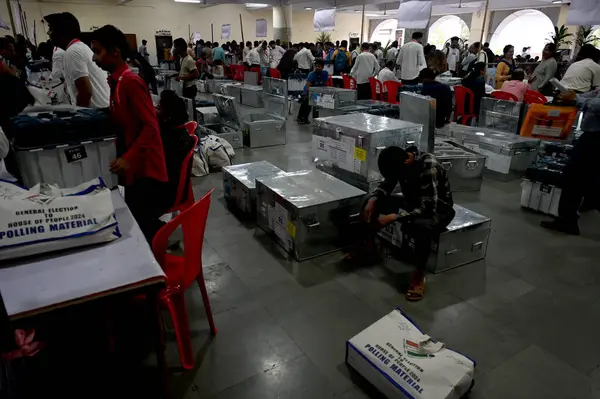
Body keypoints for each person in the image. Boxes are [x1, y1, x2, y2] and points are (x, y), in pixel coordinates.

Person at [90, 25, 169, 242]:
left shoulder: (130, 83)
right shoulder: (116, 83)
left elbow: (151, 127)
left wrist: (128, 158)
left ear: (115, 51)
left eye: (98, 52)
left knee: (142, 226)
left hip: (146, 169)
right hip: (134, 167)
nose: (95, 59)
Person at [359, 146, 454, 301]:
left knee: (420, 226)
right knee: (368, 201)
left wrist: (394, 217)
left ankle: (418, 275)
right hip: (414, 203)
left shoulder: (429, 166)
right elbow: (387, 185)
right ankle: (369, 248)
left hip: (438, 210)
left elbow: (428, 209)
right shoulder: (399, 160)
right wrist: (373, 199)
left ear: (407, 162)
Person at [540, 87, 600, 235]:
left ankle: (568, 220)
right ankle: (568, 218)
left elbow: (596, 104)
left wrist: (575, 99)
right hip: (592, 136)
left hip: (596, 138)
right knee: (582, 178)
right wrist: (570, 94)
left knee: (574, 176)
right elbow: (594, 94)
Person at [43, 12, 110, 108]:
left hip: (95, 113)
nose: (48, 33)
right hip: (99, 110)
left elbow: (85, 92)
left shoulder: (73, 51)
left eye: (51, 29)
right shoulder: (78, 47)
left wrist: (79, 115)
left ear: (61, 32)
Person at [157, 90, 196, 211]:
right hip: (176, 185)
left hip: (167, 193)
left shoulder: (167, 138)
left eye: (159, 106)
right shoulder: (179, 131)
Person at [296, 58, 328, 124]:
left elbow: (325, 85)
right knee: (307, 101)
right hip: (308, 91)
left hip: (318, 92)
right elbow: (308, 87)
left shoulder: (325, 74)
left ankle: (309, 118)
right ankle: (300, 117)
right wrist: (314, 95)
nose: (317, 68)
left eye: (319, 66)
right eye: (316, 66)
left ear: (322, 67)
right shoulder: (312, 74)